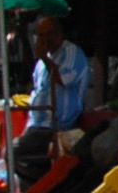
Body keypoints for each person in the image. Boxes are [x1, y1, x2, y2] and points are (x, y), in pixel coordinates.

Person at [14, 16, 89, 177]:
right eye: (41, 35)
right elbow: (38, 90)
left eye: (49, 34)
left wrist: (45, 59)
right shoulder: (41, 63)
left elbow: (62, 79)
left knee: (12, 151)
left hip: (56, 125)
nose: (45, 39)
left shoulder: (71, 52)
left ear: (60, 33)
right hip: (37, 125)